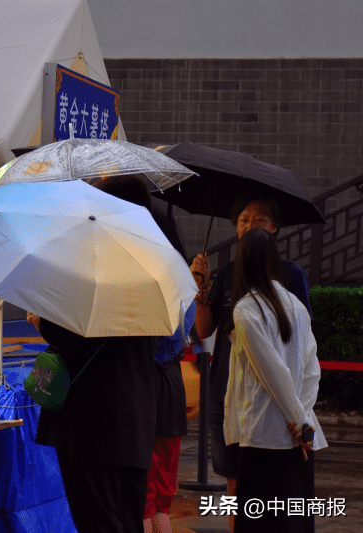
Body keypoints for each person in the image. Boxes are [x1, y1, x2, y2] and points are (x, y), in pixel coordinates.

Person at [189, 193, 313, 532]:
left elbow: (290, 359)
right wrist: (202, 290)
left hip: (269, 409)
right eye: (243, 220)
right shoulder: (228, 275)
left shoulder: (289, 278)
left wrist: (298, 414)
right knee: (236, 488)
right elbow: (204, 330)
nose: (249, 226)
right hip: (227, 396)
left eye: (258, 220)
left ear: (274, 228)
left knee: (270, 494)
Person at [94, 175, 193, 533]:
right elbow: (185, 332)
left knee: (142, 502)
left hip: (141, 393)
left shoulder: (124, 277)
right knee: (159, 499)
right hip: (170, 388)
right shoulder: (178, 279)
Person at [222, 228, 326, 532]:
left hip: (263, 435)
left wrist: (298, 421)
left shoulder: (246, 309)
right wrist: (302, 421)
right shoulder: (296, 305)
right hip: (299, 438)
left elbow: (272, 373)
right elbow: (312, 370)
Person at [28, 310, 158, 533]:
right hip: (136, 421)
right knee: (129, 521)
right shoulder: (148, 298)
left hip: (91, 427)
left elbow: (62, 334)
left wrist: (40, 321)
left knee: (99, 522)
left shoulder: (92, 293)